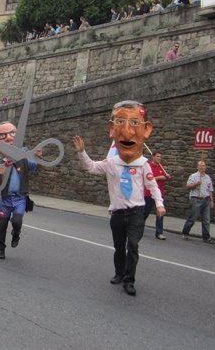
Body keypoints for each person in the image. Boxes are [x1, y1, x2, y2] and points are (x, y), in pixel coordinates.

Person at [73, 100, 165, 296]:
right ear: (112, 129)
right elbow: (90, 167)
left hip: (136, 213)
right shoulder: (111, 163)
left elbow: (152, 186)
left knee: (132, 245)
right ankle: (119, 273)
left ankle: (129, 280)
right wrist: (82, 152)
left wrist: (159, 204)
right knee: (118, 247)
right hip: (117, 212)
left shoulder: (143, 165)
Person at [0, 121, 42, 260]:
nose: (8, 138)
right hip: (6, 199)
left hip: (20, 198)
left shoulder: (23, 159)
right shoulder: (0, 163)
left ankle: (16, 233)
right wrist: (0, 174)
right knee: (0, 226)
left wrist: (37, 156)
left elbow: (35, 166)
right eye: (3, 136)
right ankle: (0, 249)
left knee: (17, 221)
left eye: (12, 134)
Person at [181, 161, 215, 244]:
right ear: (197, 167)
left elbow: (210, 190)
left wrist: (211, 200)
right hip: (196, 199)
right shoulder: (193, 176)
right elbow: (188, 186)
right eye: (200, 166)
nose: (202, 167)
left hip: (206, 200)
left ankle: (206, 237)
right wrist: (196, 184)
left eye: (203, 165)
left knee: (206, 220)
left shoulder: (208, 177)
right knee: (192, 218)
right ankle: (185, 232)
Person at [144, 152, 170, 240]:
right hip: (149, 193)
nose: (159, 158)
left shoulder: (161, 167)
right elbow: (146, 179)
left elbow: (164, 178)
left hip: (160, 194)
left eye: (160, 157)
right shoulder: (148, 166)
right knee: (145, 213)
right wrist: (159, 177)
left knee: (160, 213)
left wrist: (167, 177)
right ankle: (138, 227)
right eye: (157, 156)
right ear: (153, 157)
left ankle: (159, 233)